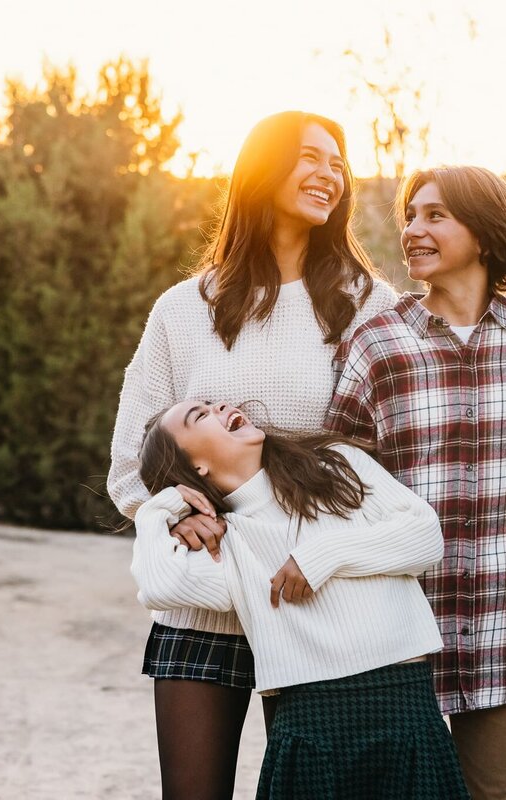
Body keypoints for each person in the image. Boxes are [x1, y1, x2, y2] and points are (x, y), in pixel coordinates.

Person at [107, 111, 397, 799]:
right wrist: (173, 506)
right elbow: (130, 464)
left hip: (314, 604)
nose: (329, 174)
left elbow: (387, 461)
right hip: (204, 607)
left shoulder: (369, 305)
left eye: (338, 162)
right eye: (309, 157)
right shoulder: (184, 309)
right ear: (262, 169)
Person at [326, 165, 506, 800]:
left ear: (483, 232)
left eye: (434, 215)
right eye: (410, 216)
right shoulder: (376, 343)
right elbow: (336, 479)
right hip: (399, 627)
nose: (412, 230)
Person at [130, 398, 469, 799]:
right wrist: (159, 510)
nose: (219, 405)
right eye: (200, 415)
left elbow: (425, 539)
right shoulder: (230, 542)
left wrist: (320, 557)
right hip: (310, 722)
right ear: (196, 467)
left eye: (211, 404)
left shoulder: (337, 464)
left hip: (403, 703)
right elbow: (160, 587)